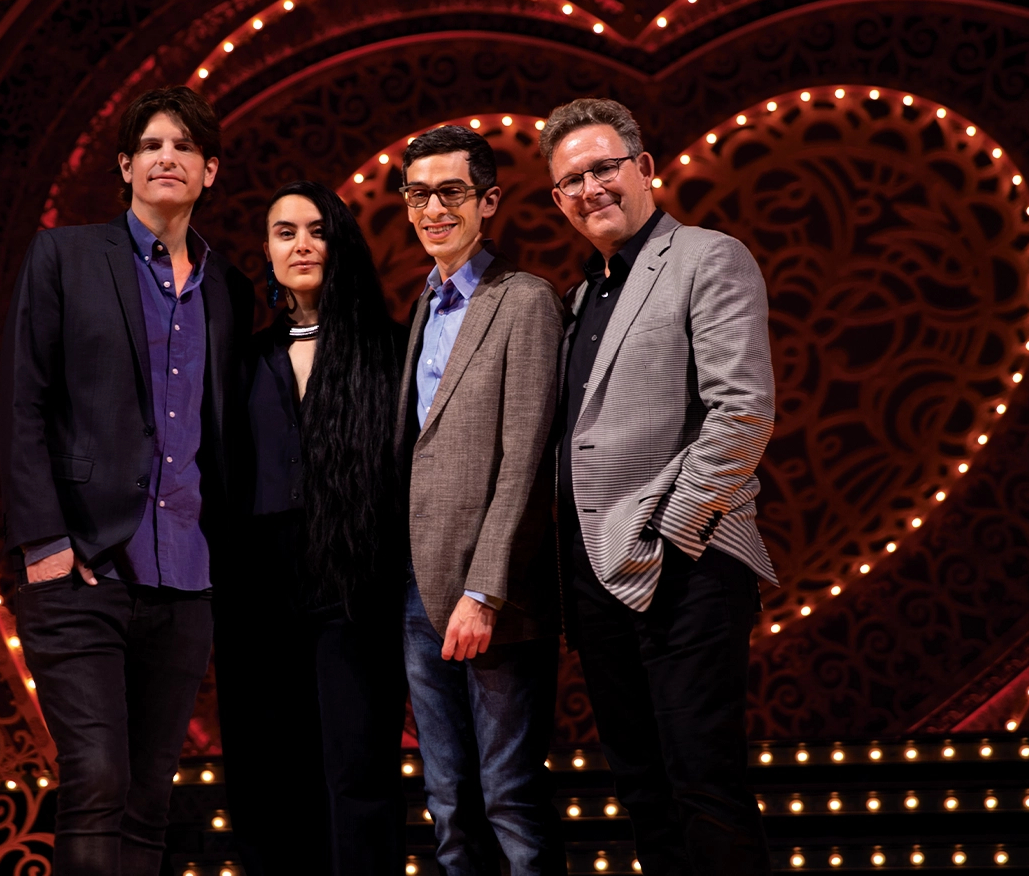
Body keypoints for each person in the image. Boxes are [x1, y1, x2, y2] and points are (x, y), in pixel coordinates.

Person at [0, 85, 254, 875]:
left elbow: (228, 436)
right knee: (97, 778)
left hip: (184, 578)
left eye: (183, 147)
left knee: (149, 796)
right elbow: (22, 401)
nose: (167, 158)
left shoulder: (229, 288)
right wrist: (44, 543)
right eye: (151, 146)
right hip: (82, 566)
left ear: (209, 171)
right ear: (125, 167)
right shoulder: (66, 256)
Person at [540, 97, 776, 876]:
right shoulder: (577, 299)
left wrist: (671, 536)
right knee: (642, 790)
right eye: (570, 180)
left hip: (688, 563)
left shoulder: (709, 256)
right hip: (596, 577)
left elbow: (741, 412)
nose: (590, 188)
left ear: (644, 168)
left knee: (701, 782)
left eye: (603, 168)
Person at [214, 181, 406, 875]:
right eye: (284, 232)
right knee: (269, 774)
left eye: (316, 230)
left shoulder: (389, 349)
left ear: (341, 242)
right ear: (265, 251)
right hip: (257, 581)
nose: (300, 244)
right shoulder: (244, 358)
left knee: (357, 769)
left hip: (354, 576)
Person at [393, 125, 566, 876]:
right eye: (418, 193)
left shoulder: (523, 301)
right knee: (449, 804)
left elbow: (525, 459)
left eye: (451, 192)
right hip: (415, 594)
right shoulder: (421, 309)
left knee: (509, 800)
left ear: (487, 201)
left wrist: (484, 589)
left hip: (487, 598)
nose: (434, 208)